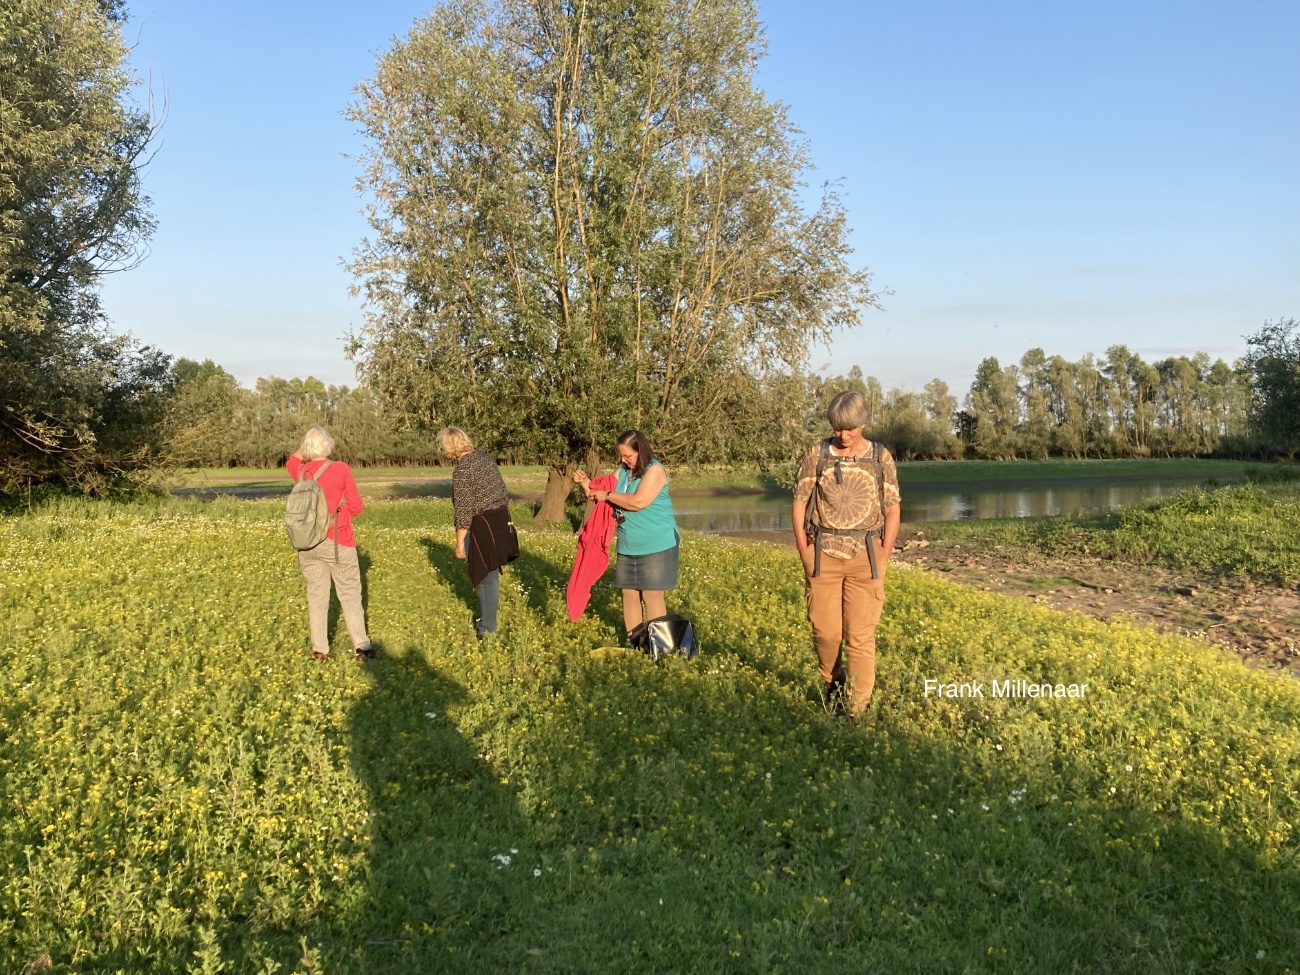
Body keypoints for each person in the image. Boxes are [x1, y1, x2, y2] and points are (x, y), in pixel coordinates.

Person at [791, 390, 901, 715]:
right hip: (822, 554)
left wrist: (885, 551)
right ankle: (833, 682)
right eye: (838, 427)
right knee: (826, 634)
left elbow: (893, 507)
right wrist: (802, 547)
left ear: (863, 422)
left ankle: (856, 710)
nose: (843, 434)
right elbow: (800, 500)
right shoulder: (818, 453)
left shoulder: (881, 457)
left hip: (866, 556)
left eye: (849, 428)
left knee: (860, 636)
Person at [573, 429, 681, 643]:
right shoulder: (623, 470)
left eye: (628, 456)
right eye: (621, 456)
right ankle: (635, 643)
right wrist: (585, 482)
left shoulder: (655, 470)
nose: (623, 460)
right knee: (629, 594)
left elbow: (638, 501)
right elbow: (597, 494)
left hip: (656, 542)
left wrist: (609, 496)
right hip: (628, 543)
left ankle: (658, 647)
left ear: (641, 451)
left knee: (651, 594)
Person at [286, 427, 374, 661]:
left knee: (316, 596)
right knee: (350, 593)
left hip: (307, 544)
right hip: (338, 540)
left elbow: (291, 460)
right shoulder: (340, 468)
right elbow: (357, 507)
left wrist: (307, 443)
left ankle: (320, 650)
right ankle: (362, 647)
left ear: (307, 448)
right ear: (329, 446)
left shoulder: (301, 471)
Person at [439, 426, 517, 640]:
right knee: (491, 574)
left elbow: (463, 509)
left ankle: (487, 629)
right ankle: (489, 622)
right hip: (500, 518)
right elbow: (501, 490)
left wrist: (459, 541)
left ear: (449, 446)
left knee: (484, 576)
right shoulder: (485, 458)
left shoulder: (463, 469)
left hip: (482, 524)